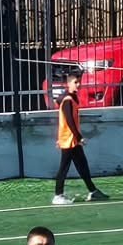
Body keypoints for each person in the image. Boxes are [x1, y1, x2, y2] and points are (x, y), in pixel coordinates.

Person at [52, 70, 107, 205]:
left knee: (82, 165)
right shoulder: (67, 100)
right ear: (69, 83)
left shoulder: (71, 98)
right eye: (75, 82)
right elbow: (69, 121)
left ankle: (93, 191)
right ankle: (58, 195)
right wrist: (79, 137)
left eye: (79, 82)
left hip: (72, 140)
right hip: (69, 140)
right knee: (64, 167)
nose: (78, 84)